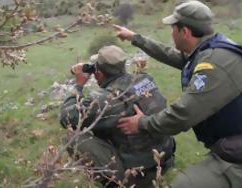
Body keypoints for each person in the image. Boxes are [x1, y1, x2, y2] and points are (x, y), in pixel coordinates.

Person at [113, 0, 242, 188]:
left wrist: (142, 124)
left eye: (173, 28)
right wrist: (135, 38)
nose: (171, 33)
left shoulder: (214, 65)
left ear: (184, 32)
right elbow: (172, 55)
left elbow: (183, 115)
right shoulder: (210, 48)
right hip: (233, 143)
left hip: (239, 155)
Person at [60, 45, 175, 187]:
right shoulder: (145, 79)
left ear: (99, 73)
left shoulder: (108, 99)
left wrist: (78, 85)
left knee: (72, 136)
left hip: (138, 175)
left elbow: (66, 118)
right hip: (163, 160)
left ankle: (115, 183)